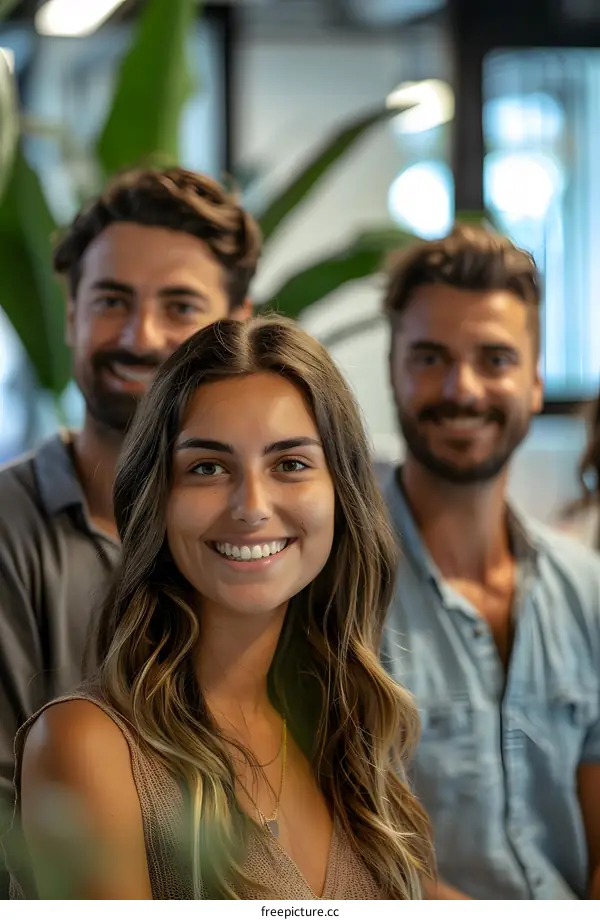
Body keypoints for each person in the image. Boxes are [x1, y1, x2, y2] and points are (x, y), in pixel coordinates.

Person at [6, 316, 433, 899]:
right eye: (207, 467)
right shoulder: (83, 746)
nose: (251, 507)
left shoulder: (354, 732)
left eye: (290, 464)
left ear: (342, 494)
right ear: (157, 496)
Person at [0, 166, 261, 890]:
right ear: (71, 314)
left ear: (237, 324)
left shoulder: (269, 542)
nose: (140, 336)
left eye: (180, 306)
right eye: (112, 300)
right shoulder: (9, 536)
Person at [379, 225, 600, 900]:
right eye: (429, 357)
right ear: (393, 370)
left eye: (495, 359)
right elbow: (338, 846)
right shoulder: (334, 585)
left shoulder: (587, 588)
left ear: (534, 382)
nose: (462, 388)